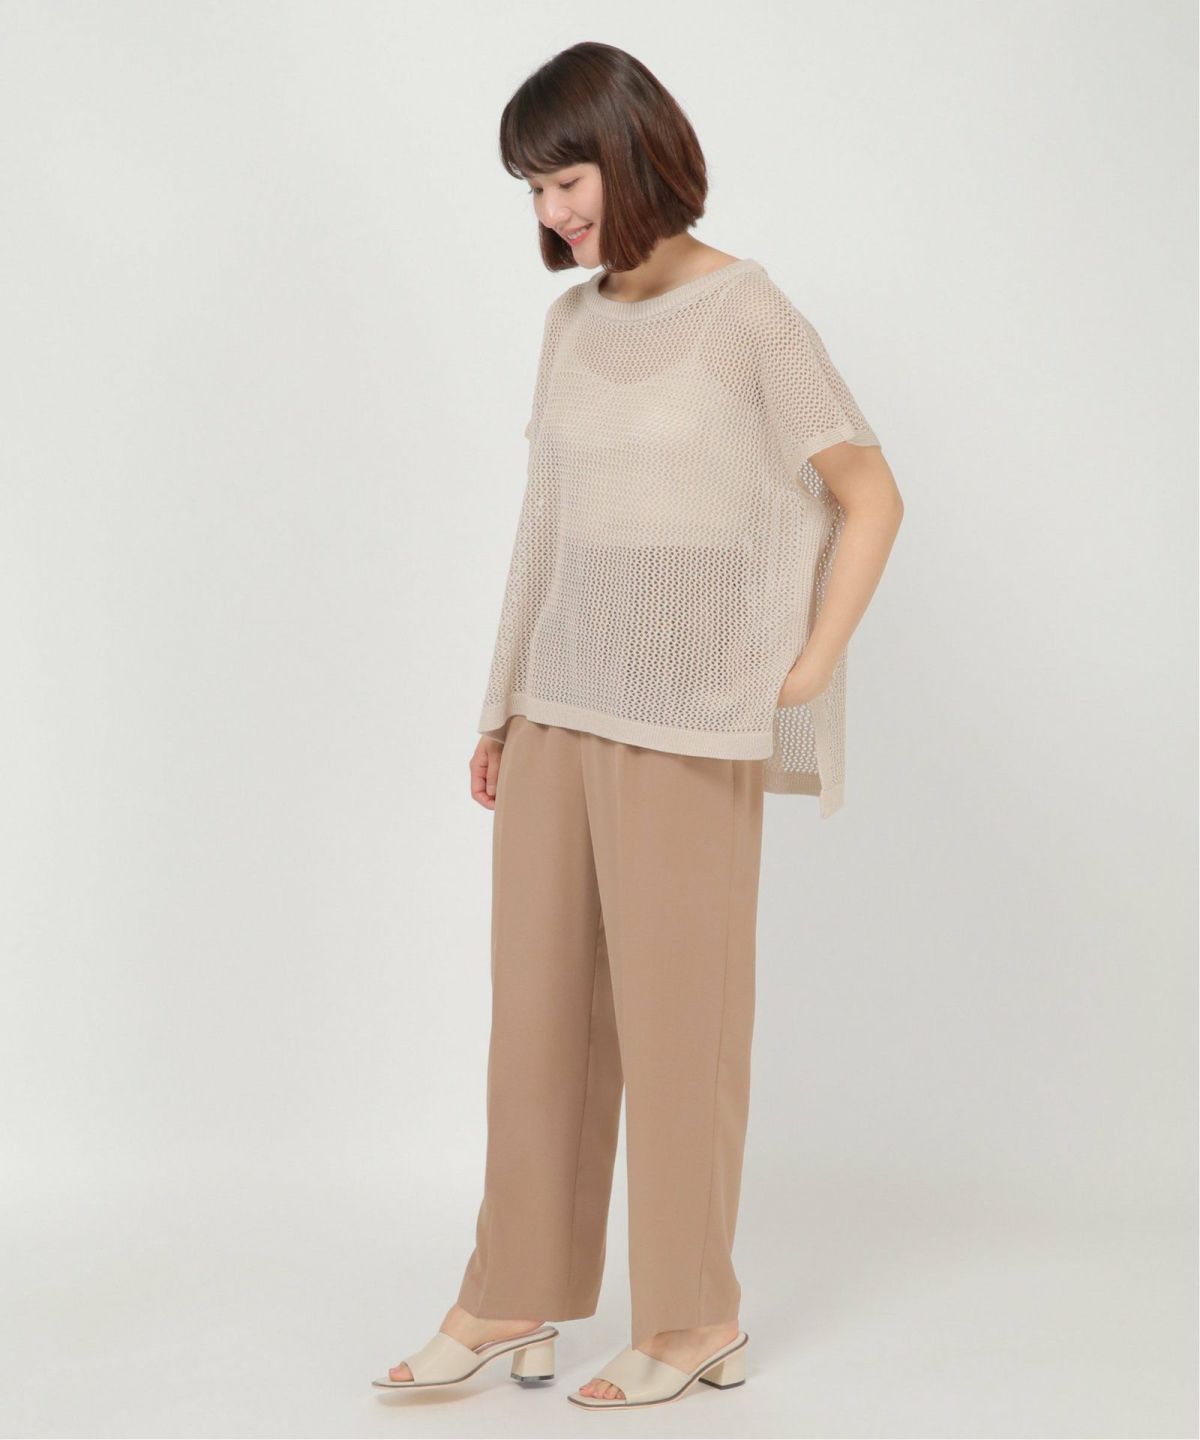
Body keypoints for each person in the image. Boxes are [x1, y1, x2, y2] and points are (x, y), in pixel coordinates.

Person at [374, 40, 904, 1411]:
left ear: (633, 151)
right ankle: (514, 1292)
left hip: (691, 716)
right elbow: (544, 528)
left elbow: (869, 493)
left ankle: (692, 1317)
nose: (552, 211)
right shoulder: (571, 326)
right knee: (536, 1023)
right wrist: (500, 703)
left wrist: (808, 663)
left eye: (567, 179)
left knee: (681, 1028)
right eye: (533, 190)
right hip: (559, 706)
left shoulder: (748, 313)